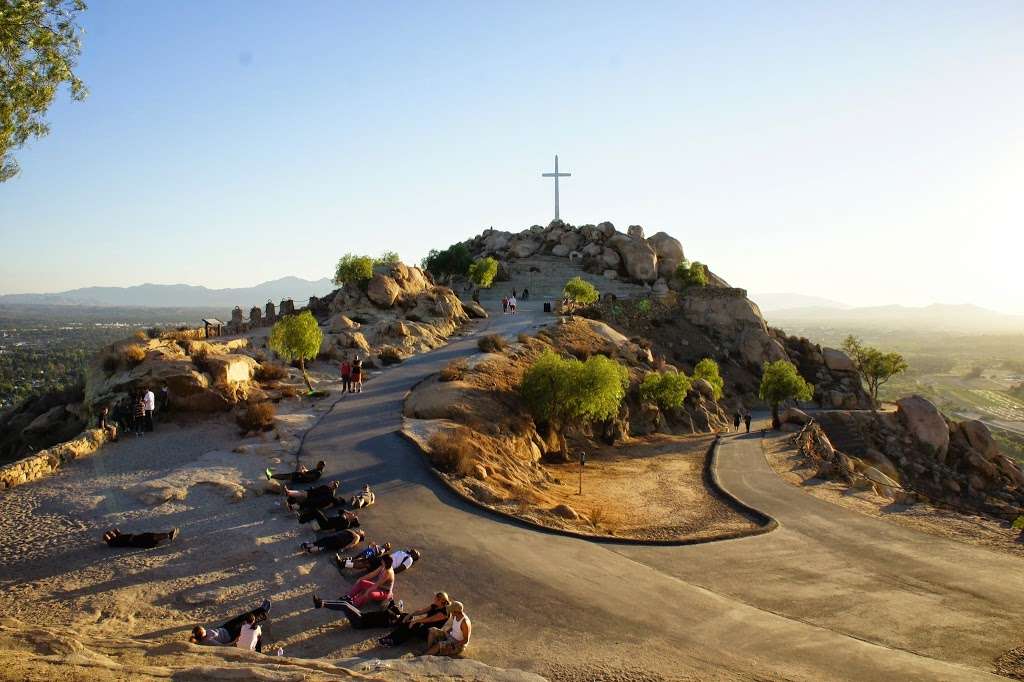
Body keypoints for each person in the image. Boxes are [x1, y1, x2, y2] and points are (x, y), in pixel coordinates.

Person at [379, 592, 450, 647]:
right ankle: (390, 637)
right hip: (423, 625)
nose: (434, 599)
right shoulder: (435, 606)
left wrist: (415, 621)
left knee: (413, 625)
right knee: (406, 617)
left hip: (429, 632)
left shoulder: (444, 613)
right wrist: (410, 615)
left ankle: (394, 641)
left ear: (440, 600)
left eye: (436, 599)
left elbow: (430, 619)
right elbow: (421, 611)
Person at [190, 598, 271, 646]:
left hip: (225, 627)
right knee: (247, 622)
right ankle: (263, 613)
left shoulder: (205, 635)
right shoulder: (208, 640)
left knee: (242, 617)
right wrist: (234, 641)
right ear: (202, 634)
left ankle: (262, 609)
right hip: (230, 634)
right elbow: (222, 646)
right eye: (203, 629)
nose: (204, 629)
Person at [312, 594, 404, 629]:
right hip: (361, 616)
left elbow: (390, 611)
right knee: (345, 603)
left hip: (360, 622)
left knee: (344, 606)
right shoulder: (389, 616)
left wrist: (397, 612)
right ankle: (322, 602)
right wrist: (394, 605)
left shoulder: (388, 621)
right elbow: (390, 607)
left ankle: (321, 604)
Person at [103, 527, 178, 549]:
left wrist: (114, 532)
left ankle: (168, 535)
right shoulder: (112, 543)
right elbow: (106, 536)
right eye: (111, 534)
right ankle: (168, 535)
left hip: (136, 538)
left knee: (150, 535)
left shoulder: (118, 537)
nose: (112, 533)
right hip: (136, 541)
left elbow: (116, 530)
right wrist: (107, 535)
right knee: (150, 537)